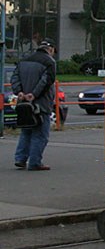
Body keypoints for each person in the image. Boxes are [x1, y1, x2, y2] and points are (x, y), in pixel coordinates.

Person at [12, 39, 57, 171]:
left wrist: (19, 92)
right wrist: (34, 94)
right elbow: (47, 81)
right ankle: (35, 162)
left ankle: (20, 159)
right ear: (50, 49)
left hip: (24, 102)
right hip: (41, 103)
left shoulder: (24, 60)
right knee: (40, 133)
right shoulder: (50, 62)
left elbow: (15, 77)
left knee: (26, 130)